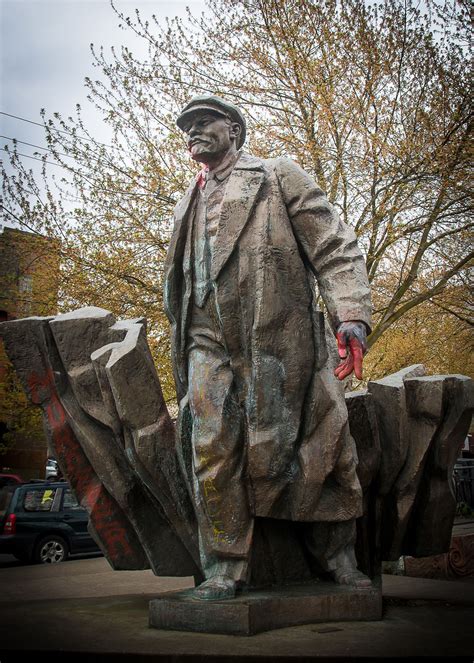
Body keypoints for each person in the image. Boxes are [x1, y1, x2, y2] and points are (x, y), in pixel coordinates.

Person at [164, 95, 372, 600]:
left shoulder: (277, 175)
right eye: (187, 125)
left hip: (278, 336)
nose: (192, 131)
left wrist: (352, 315)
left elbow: (333, 245)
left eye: (203, 122)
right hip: (204, 339)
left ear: (233, 129)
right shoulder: (186, 200)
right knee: (210, 446)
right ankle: (224, 569)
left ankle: (337, 557)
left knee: (313, 444)